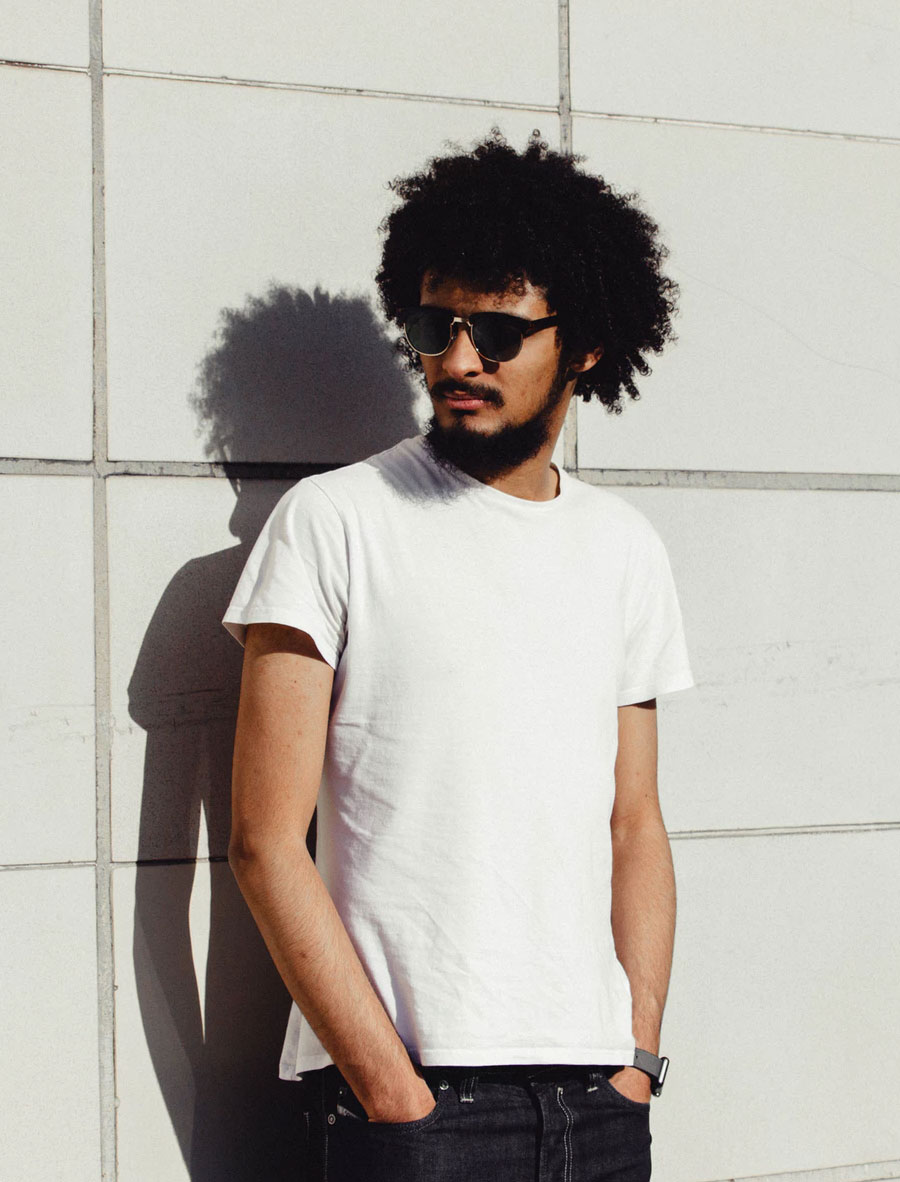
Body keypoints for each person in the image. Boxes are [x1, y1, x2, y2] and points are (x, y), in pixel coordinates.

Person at [222, 129, 695, 1181]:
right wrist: (394, 1095)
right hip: (414, 1107)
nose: (459, 360)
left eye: (499, 331)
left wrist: (637, 1058)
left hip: (599, 1102)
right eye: (438, 326)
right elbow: (263, 841)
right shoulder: (335, 522)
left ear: (585, 345)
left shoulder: (623, 548)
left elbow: (635, 821)